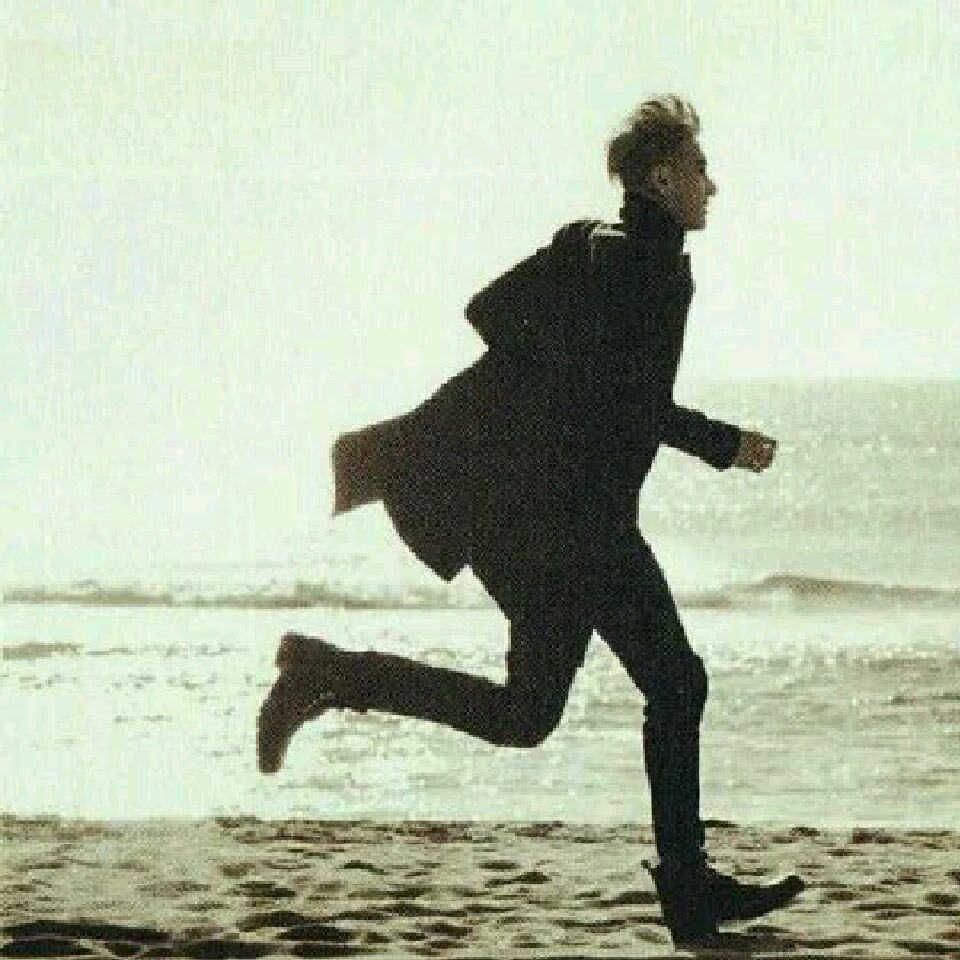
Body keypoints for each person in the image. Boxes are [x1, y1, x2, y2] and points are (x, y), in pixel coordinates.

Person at [256, 95, 803, 946]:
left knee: (543, 711)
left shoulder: (607, 249)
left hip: (566, 521)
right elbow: (610, 389)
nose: (713, 185)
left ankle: (327, 673)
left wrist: (566, 328)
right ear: (663, 179)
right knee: (665, 687)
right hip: (577, 528)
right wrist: (718, 441)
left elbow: (507, 323)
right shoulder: (640, 266)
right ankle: (687, 887)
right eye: (701, 169)